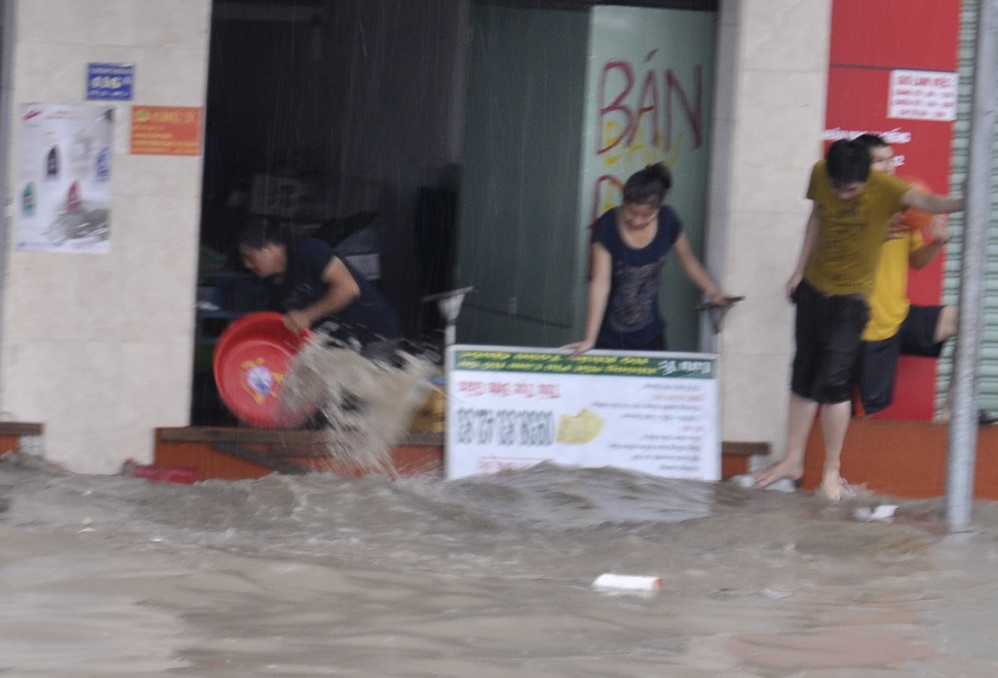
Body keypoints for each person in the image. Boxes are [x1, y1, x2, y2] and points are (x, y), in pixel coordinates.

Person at [753, 139, 964, 501]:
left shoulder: (886, 188)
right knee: (802, 378)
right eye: (837, 186)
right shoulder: (821, 174)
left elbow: (930, 203)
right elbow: (816, 216)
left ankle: (831, 473)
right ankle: (792, 461)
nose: (843, 194)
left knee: (835, 387)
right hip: (814, 290)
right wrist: (798, 271)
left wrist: (967, 198)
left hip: (852, 301)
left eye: (851, 188)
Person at [564, 162, 731, 356]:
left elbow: (687, 259)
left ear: (659, 208)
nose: (636, 220)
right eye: (631, 212)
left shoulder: (668, 221)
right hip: (609, 338)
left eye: (646, 215)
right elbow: (600, 282)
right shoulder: (607, 226)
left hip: (651, 336)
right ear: (624, 202)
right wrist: (590, 339)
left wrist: (713, 292)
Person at [851, 133, 959, 421]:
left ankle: (951, 413)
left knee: (964, 319)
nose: (888, 168)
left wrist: (936, 241)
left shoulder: (905, 207)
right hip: (866, 326)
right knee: (865, 416)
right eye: (878, 162)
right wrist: (875, 235)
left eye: (890, 160)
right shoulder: (850, 207)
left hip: (898, 316)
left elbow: (916, 262)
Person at [237, 217, 401, 348]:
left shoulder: (309, 251)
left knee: (371, 387)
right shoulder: (274, 286)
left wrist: (307, 315)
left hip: (375, 332)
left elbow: (348, 289)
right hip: (341, 346)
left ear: (269, 248)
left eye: (249, 257)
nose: (247, 265)